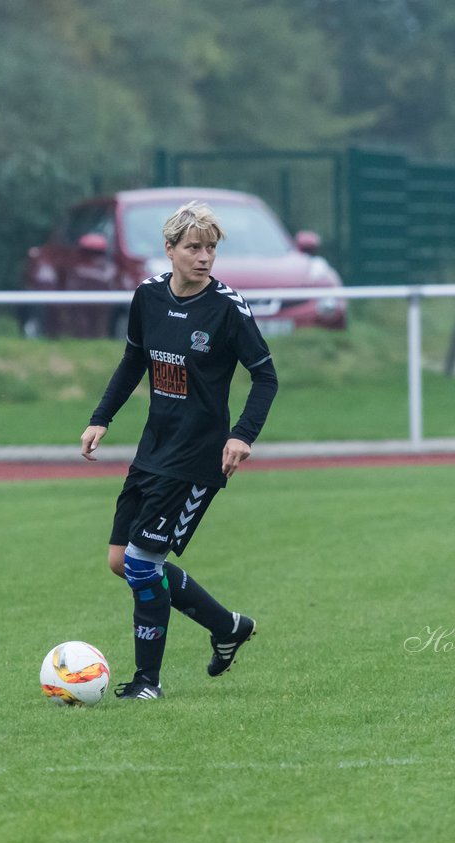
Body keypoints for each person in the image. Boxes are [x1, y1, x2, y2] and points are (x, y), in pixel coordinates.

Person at [80, 201, 278, 700]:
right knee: (120, 559)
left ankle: (148, 682)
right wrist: (101, 417)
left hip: (198, 458)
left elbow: (265, 377)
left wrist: (242, 434)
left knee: (143, 566)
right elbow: (132, 360)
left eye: (211, 248)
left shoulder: (228, 308)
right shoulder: (147, 295)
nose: (205, 257)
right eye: (194, 247)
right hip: (153, 449)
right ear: (169, 250)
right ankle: (228, 626)